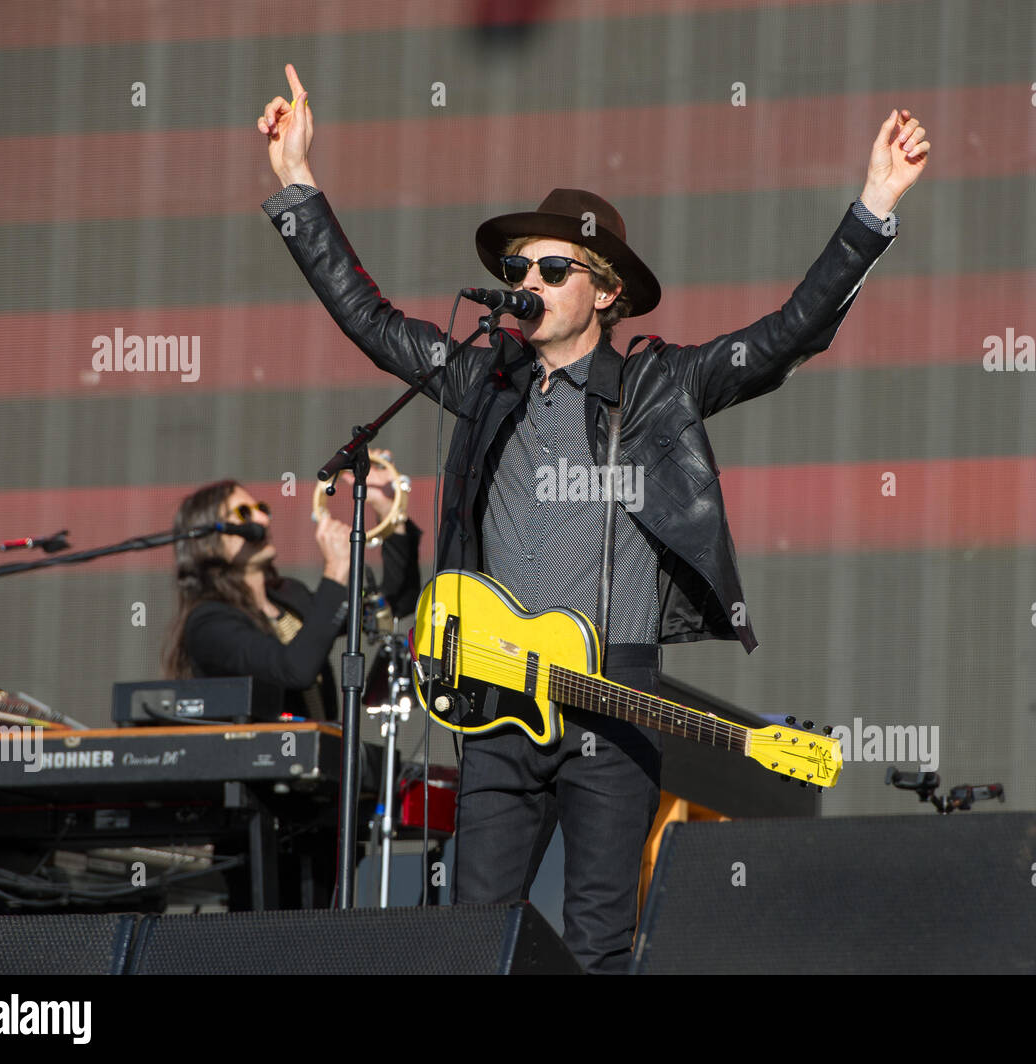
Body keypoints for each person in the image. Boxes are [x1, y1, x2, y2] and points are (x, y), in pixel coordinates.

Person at [256, 63, 929, 970]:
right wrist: (297, 182)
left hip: (614, 699)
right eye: (517, 268)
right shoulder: (483, 382)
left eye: (552, 267)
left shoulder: (660, 386)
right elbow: (372, 320)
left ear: (605, 291)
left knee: (597, 946)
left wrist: (872, 208)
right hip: (496, 702)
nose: (527, 279)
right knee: (474, 941)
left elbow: (786, 335)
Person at [161, 463, 421, 722]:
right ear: (207, 543)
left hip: (321, 756)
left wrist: (390, 512)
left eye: (261, 509)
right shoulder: (209, 623)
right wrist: (336, 571)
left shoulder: (290, 595)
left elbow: (394, 603)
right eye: (243, 513)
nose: (263, 519)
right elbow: (294, 668)